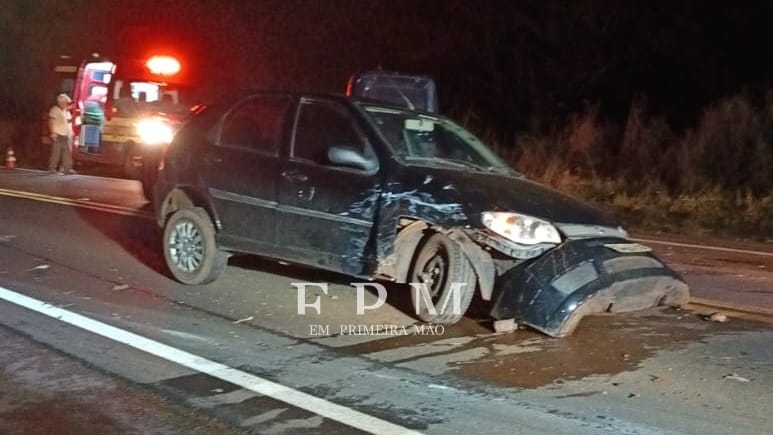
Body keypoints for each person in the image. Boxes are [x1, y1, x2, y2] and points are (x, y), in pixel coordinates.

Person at [48, 93, 75, 174]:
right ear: (61, 102)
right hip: (58, 134)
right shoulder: (55, 110)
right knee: (56, 153)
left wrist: (71, 132)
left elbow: (67, 123)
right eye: (66, 102)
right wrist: (52, 133)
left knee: (67, 153)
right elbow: (51, 122)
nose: (67, 104)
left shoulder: (65, 111)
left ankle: (67, 169)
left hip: (65, 135)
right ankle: (52, 168)